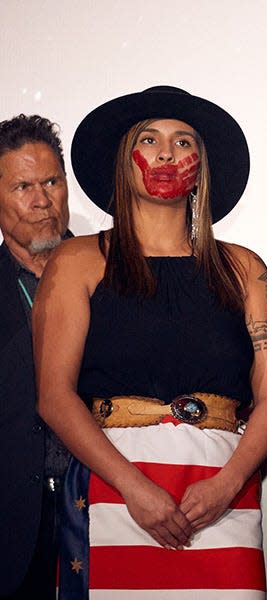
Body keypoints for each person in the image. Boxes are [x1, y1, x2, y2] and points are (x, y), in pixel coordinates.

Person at [32, 86, 267, 598]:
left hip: (222, 503)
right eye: (149, 140)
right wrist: (134, 487)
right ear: (125, 161)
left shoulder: (245, 269)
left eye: (183, 141)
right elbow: (54, 398)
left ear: (202, 162)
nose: (167, 153)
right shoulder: (78, 262)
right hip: (113, 500)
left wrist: (226, 484)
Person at [0, 114, 71, 599]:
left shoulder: (118, 282)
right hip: (12, 529)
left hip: (106, 515)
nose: (41, 200)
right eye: (23, 186)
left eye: (51, 181)